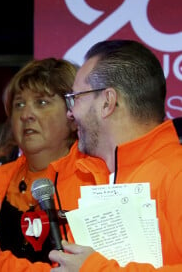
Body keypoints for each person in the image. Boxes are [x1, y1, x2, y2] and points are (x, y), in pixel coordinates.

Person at [0, 58, 109, 271]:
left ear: (72, 114)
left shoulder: (97, 180)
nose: (26, 115)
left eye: (41, 102)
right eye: (18, 104)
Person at [49, 40, 182, 271]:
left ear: (107, 102)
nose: (70, 113)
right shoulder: (97, 176)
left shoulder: (177, 173)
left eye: (75, 98)